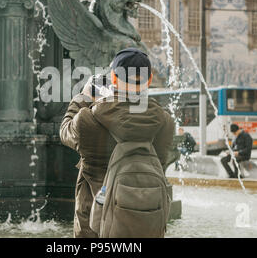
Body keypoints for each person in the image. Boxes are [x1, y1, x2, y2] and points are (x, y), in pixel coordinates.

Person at [59, 48, 175, 238]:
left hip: (95, 224)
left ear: (113, 78)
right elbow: (159, 163)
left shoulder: (88, 120)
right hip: (147, 220)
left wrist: (84, 98)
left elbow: (65, 131)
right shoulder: (165, 122)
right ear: (149, 79)